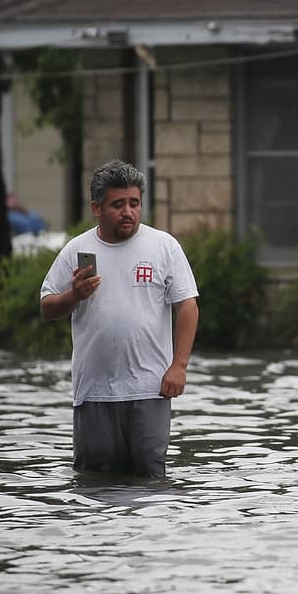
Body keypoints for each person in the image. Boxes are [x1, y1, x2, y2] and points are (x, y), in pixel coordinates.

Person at [40, 160, 200, 478]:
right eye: (118, 204)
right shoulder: (77, 250)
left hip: (150, 389)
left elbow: (187, 306)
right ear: (97, 208)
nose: (128, 212)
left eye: (134, 203)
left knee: (151, 482)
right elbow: (47, 307)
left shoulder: (164, 247)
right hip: (94, 391)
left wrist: (179, 366)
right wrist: (74, 295)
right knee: (95, 483)